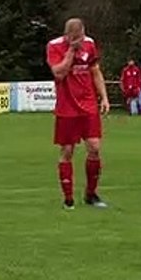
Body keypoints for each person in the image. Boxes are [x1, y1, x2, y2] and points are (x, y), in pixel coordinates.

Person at [47, 18, 111, 209]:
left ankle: (91, 194)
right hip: (67, 107)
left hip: (88, 104)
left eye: (80, 37)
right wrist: (71, 52)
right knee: (67, 151)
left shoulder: (89, 44)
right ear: (67, 35)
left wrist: (104, 97)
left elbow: (95, 71)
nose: (79, 41)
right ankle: (68, 199)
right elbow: (59, 73)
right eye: (74, 38)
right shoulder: (54, 46)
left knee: (94, 147)